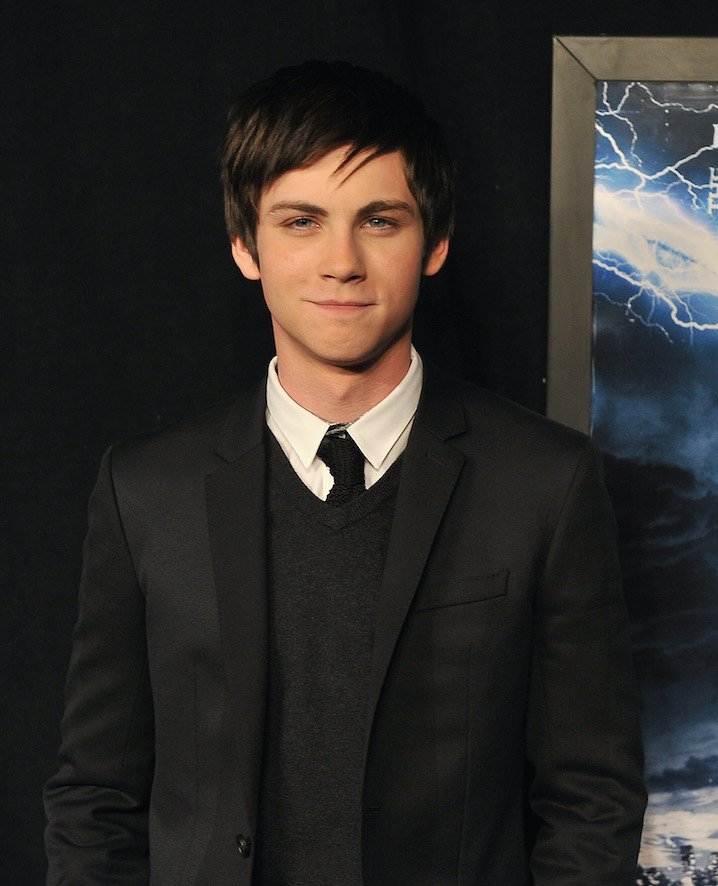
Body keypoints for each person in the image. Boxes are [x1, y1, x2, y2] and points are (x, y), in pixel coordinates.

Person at [44, 60, 646, 885]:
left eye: (379, 220)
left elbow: (591, 797)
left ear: (434, 242)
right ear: (244, 245)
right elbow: (96, 796)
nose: (341, 261)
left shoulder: (545, 482)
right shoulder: (145, 490)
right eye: (300, 221)